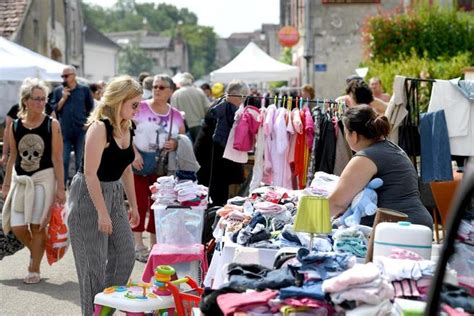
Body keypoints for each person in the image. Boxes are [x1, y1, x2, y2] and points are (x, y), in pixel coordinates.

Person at [67, 75, 140, 315]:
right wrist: (102, 212)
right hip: (89, 196)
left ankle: (104, 308)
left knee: (126, 253)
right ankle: (94, 312)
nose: (137, 110)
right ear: (119, 101)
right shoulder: (99, 128)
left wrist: (135, 206)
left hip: (114, 192)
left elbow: (127, 170)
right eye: (135, 104)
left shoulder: (128, 126)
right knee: (93, 267)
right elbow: (89, 174)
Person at [1, 78, 65, 284]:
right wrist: (6, 184)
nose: (41, 103)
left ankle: (33, 267)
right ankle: (38, 248)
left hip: (44, 178)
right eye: (36, 99)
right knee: (17, 226)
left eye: (43, 99)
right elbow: (12, 157)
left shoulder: (51, 124)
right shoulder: (15, 126)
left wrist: (60, 188)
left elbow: (57, 158)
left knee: (38, 226)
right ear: (26, 101)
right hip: (21, 179)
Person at [328, 105, 433, 229]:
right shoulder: (393, 149)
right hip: (416, 224)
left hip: (397, 229)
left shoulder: (366, 157)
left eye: (346, 133)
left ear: (354, 135)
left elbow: (336, 203)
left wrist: (304, 220)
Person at [132, 74, 185, 262]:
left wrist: (176, 144)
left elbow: (183, 140)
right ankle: (138, 243)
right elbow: (125, 130)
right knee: (138, 203)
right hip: (139, 163)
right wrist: (134, 154)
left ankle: (156, 243)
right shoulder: (140, 107)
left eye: (162, 87)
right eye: (155, 86)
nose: (157, 90)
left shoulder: (176, 115)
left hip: (163, 167)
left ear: (171, 91)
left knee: (159, 205)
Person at [205, 80, 249, 206]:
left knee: (221, 189)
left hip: (219, 159)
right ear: (235, 95)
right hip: (215, 159)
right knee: (218, 192)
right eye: (242, 97)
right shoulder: (222, 108)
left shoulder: (226, 105)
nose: (243, 101)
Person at [52, 65, 94, 186]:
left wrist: (87, 123)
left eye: (66, 76)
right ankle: (62, 186)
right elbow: (55, 109)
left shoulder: (84, 90)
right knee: (63, 159)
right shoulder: (58, 91)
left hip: (80, 130)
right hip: (65, 131)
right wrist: (63, 98)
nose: (64, 79)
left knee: (79, 160)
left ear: (74, 76)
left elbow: (90, 107)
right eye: (62, 76)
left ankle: (78, 186)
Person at [1, 100, 55, 166]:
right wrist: (5, 154)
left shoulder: (47, 108)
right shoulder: (15, 110)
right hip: (20, 156)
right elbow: (7, 133)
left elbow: (54, 132)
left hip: (43, 156)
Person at [170, 72, 209, 142]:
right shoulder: (199, 92)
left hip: (183, 128)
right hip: (199, 125)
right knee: (199, 150)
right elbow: (208, 108)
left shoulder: (176, 94)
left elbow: (173, 112)